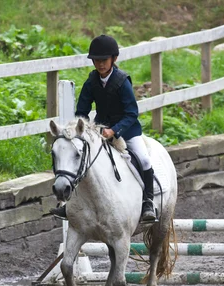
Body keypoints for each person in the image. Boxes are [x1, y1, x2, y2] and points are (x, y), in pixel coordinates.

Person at [50, 34, 157, 223]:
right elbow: (82, 111)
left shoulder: (122, 81)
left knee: (144, 159)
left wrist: (114, 130)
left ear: (114, 59)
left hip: (127, 129)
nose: (100, 65)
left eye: (104, 60)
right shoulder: (91, 82)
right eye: (97, 61)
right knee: (81, 161)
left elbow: (132, 113)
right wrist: (78, 131)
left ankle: (148, 202)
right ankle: (71, 204)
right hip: (99, 130)